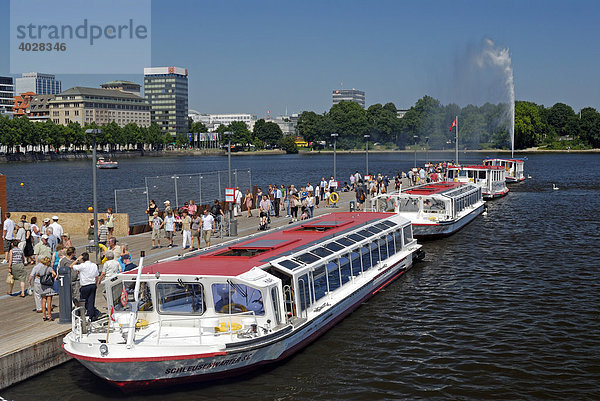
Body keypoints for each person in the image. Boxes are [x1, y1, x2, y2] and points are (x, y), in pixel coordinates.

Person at [70, 252, 100, 320]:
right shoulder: (94, 265)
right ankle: (91, 314)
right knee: (91, 301)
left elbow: (71, 266)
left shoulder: (82, 266)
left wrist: (77, 259)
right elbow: (96, 276)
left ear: (82, 259)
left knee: (83, 301)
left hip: (85, 285)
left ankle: (90, 313)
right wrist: (96, 284)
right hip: (92, 284)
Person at [30, 256, 57, 321]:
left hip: (42, 286)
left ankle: (44, 315)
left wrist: (41, 278)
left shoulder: (40, 269)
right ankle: (49, 315)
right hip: (48, 286)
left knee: (43, 301)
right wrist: (51, 277)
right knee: (49, 301)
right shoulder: (49, 268)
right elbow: (54, 274)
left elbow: (36, 274)